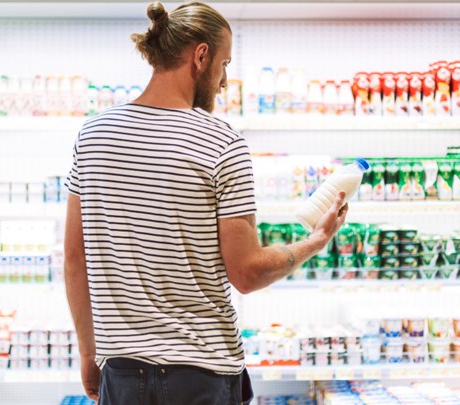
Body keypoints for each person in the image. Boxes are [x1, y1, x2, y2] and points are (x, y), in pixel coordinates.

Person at [63, 2, 348, 404]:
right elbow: (246, 274)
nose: (224, 80)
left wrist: (89, 351)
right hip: (201, 376)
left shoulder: (92, 135)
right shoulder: (221, 142)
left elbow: (75, 257)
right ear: (201, 56)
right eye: (224, 63)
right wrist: (314, 242)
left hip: (122, 373)